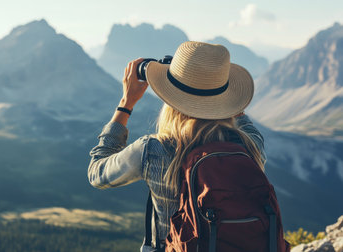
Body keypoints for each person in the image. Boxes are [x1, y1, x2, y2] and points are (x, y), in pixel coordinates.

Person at [88, 41, 266, 250]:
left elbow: (96, 174)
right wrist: (215, 88)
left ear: (170, 97)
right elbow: (240, 115)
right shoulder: (249, 145)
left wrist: (126, 103)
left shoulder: (153, 149)